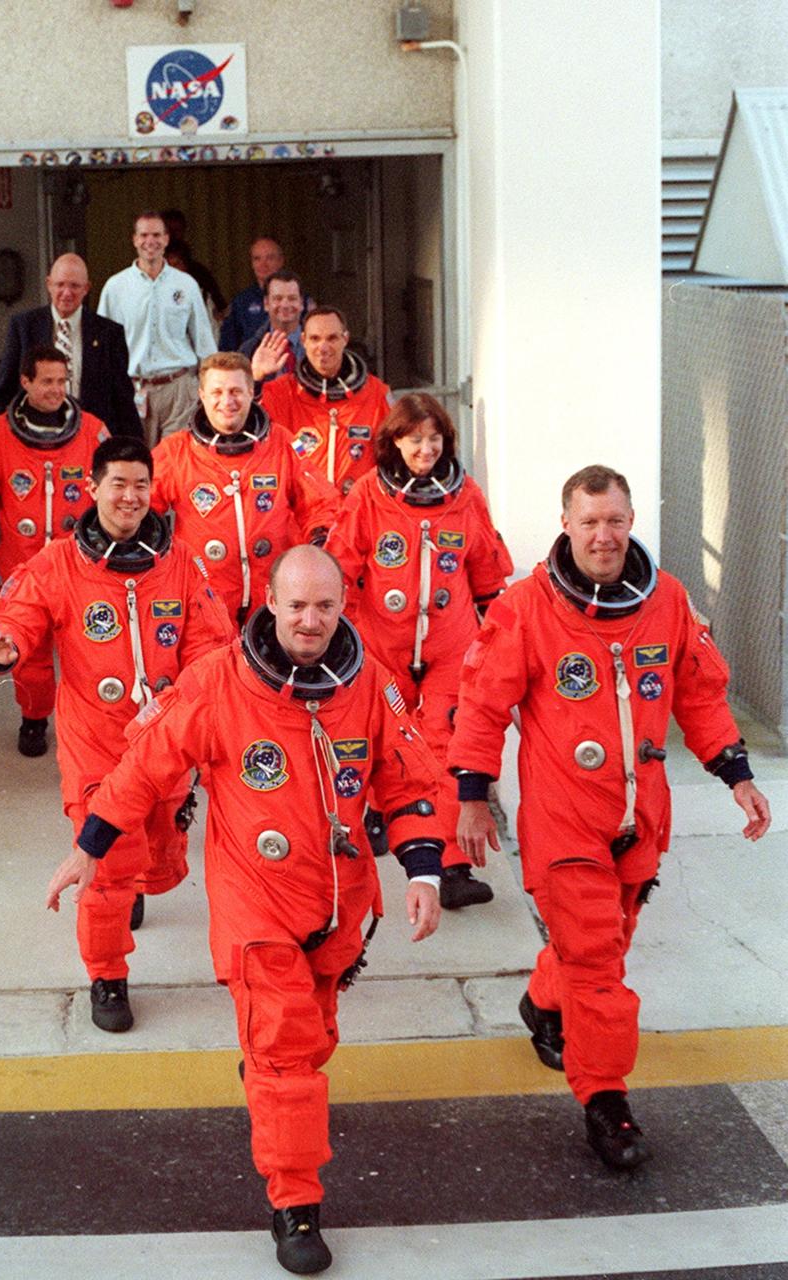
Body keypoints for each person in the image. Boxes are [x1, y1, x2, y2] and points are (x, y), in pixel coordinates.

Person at [46, 545, 445, 1275]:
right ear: (267, 603)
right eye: (295, 605)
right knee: (289, 1055)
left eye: (324, 606)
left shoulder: (371, 686)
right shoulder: (218, 685)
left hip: (338, 900)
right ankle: (295, 1203)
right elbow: (143, 767)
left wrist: (423, 870)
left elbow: (410, 778)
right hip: (255, 903)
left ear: (342, 607)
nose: (310, 620)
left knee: (311, 1041)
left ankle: (270, 1083)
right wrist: (90, 847)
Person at [447, 464, 771, 1170]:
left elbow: (700, 693)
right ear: (565, 524)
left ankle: (541, 1002)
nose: (603, 534)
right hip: (563, 820)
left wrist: (735, 774)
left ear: (630, 523)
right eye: (589, 521)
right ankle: (605, 1100)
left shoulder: (667, 602)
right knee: (597, 964)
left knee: (604, 946)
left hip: (638, 818)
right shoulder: (528, 606)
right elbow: (480, 704)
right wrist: (470, 795)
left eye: (615, 520)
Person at [0, 437, 233, 1032]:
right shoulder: (60, 563)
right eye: (118, 483)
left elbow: (210, 645)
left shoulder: (181, 563)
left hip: (166, 743)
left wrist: (181, 702)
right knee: (108, 862)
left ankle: (137, 879)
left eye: (141, 485)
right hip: (97, 743)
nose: (130, 496)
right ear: (93, 488)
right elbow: (19, 617)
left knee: (160, 853)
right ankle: (107, 975)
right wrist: (3, 649)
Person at [325, 393, 513, 910]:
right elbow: (340, 565)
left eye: (434, 439)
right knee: (390, 742)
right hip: (382, 645)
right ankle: (388, 816)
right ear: (395, 443)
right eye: (415, 440)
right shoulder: (368, 495)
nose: (425, 449)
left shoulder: (465, 495)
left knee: (444, 746)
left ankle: (450, 865)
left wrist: (499, 644)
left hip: (449, 646)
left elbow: (487, 574)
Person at [0, 345, 109, 758]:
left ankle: (96, 725)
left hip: (81, 568)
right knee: (30, 656)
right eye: (47, 382)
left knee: (93, 651)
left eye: (62, 381)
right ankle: (35, 719)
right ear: (25, 382)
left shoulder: (92, 430)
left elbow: (113, 484)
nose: (57, 390)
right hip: (25, 570)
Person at [150, 352, 339, 625]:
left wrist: (318, 545)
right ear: (201, 394)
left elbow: (322, 502)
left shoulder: (283, 443)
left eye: (236, 391)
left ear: (252, 392)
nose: (227, 401)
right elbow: (141, 511)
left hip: (275, 598)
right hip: (206, 600)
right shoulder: (176, 451)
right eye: (217, 391)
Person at [0, 253, 141, 438]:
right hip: (35, 437)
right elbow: (4, 390)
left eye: (75, 286)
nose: (67, 293)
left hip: (92, 440)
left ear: (87, 288)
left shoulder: (109, 333)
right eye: (60, 284)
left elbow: (123, 402)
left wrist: (133, 449)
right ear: (49, 284)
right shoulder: (23, 326)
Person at [97, 211, 216, 446]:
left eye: (156, 235)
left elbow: (204, 341)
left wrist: (210, 388)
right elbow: (102, 347)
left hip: (178, 389)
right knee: (136, 460)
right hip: (132, 390)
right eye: (143, 235)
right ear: (134, 239)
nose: (150, 241)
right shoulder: (115, 287)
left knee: (175, 462)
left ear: (166, 239)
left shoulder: (186, 284)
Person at [257, 307, 391, 496]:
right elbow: (241, 423)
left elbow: (395, 456)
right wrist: (255, 379)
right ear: (303, 340)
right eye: (315, 339)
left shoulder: (376, 394)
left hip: (356, 513)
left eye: (332, 338)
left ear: (345, 339)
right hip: (304, 514)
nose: (323, 347)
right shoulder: (283, 393)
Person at [218, 235, 285, 352]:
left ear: (281, 261)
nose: (263, 264)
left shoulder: (298, 300)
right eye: (257, 259)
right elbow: (227, 346)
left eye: (270, 258)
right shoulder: (241, 302)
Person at [159, 208, 227, 319]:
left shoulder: (200, 274)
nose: (173, 236)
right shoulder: (145, 274)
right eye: (169, 231)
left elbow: (220, 309)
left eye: (177, 231)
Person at [240, 270, 306, 379]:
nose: (285, 305)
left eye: (292, 298)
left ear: (302, 303)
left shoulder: (318, 346)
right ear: (266, 304)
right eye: (278, 298)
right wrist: (256, 376)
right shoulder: (249, 349)